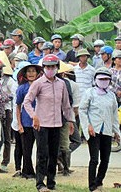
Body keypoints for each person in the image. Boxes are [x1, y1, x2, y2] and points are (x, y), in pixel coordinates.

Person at [23, 54, 75, 192]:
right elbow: (27, 102)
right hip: (41, 124)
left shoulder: (62, 84)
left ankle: (51, 182)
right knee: (42, 154)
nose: (50, 69)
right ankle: (40, 183)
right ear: (44, 68)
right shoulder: (38, 83)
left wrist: (70, 120)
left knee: (54, 153)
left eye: (52, 67)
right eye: (47, 67)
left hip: (57, 123)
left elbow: (66, 105)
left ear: (57, 68)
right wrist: (34, 116)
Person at [79, 67, 121, 192]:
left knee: (105, 159)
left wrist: (117, 131)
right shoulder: (89, 93)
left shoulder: (111, 96)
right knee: (94, 159)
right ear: (96, 80)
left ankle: (99, 182)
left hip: (107, 130)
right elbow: (82, 110)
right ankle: (92, 186)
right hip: (94, 130)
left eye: (106, 79)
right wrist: (88, 126)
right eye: (101, 79)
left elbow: (114, 115)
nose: (103, 81)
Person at [15, 61, 42, 179]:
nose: (31, 73)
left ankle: (41, 171)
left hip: (40, 122)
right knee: (26, 150)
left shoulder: (41, 86)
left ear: (37, 73)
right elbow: (18, 106)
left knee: (41, 150)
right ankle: (28, 172)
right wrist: (19, 124)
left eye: (33, 71)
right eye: (29, 71)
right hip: (26, 122)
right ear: (25, 74)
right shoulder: (22, 88)